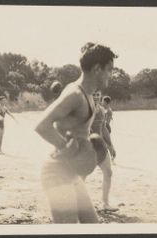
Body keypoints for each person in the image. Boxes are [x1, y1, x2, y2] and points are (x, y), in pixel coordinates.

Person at [34, 42, 117, 223]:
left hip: (70, 172)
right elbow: (42, 125)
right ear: (97, 69)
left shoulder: (87, 94)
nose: (111, 74)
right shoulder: (75, 94)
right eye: (109, 69)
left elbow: (61, 126)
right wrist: (68, 148)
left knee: (92, 225)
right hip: (56, 173)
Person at [91, 91, 118, 212]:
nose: (96, 97)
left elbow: (104, 128)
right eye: (93, 94)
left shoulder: (102, 109)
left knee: (108, 172)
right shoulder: (84, 109)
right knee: (81, 176)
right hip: (88, 146)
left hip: (101, 145)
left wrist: (111, 145)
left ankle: (105, 203)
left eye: (98, 94)